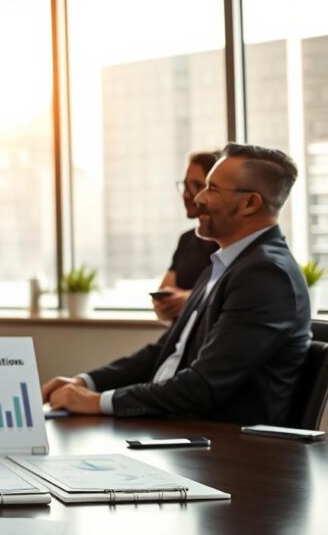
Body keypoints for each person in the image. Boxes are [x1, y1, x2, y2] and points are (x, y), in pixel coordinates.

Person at [42, 144, 310, 426]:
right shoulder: (222, 266)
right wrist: (87, 382)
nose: (199, 198)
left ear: (250, 204)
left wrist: (98, 402)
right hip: (175, 431)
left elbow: (203, 386)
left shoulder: (266, 276)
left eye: (212, 189)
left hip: (218, 448)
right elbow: (166, 351)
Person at [152, 151, 220, 321]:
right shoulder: (187, 239)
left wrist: (191, 300)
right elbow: (165, 289)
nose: (186, 194)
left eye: (196, 186)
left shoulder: (230, 242)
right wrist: (164, 305)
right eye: (185, 185)